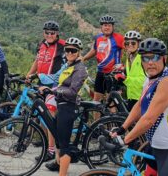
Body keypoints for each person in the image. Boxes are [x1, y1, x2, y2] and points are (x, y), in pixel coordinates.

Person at [111, 38, 168, 176]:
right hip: (155, 145)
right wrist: (122, 128)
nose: (150, 62)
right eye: (145, 58)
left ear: (164, 58)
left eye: (155, 57)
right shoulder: (149, 79)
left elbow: (149, 119)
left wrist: (126, 139)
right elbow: (140, 104)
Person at [43, 37, 88, 175]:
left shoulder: (80, 69)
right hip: (61, 105)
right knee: (58, 139)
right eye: (67, 50)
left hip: (69, 107)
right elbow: (61, 84)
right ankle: (58, 164)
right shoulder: (69, 66)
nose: (69, 53)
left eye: (73, 51)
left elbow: (72, 91)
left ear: (79, 52)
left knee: (64, 145)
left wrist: (54, 91)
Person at [26, 20, 66, 161]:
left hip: (54, 85)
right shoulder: (41, 45)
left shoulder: (62, 45)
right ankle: (46, 143)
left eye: (52, 33)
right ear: (44, 33)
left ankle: (50, 151)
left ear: (57, 34)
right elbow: (37, 61)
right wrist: (29, 75)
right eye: (47, 32)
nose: (49, 35)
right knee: (43, 116)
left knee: (50, 115)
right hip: (41, 83)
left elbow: (73, 59)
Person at [82, 15, 124, 103]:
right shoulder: (98, 38)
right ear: (101, 27)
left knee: (112, 102)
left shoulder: (119, 38)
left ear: (113, 27)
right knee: (96, 100)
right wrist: (83, 58)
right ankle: (98, 118)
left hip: (113, 74)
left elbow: (130, 48)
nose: (107, 27)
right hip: (100, 72)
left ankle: (113, 117)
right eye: (105, 25)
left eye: (109, 25)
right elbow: (94, 50)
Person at [123, 30, 145, 111]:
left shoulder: (143, 57)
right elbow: (131, 75)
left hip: (142, 98)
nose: (130, 45)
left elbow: (144, 80)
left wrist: (125, 79)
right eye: (127, 43)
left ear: (138, 43)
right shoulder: (129, 57)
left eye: (133, 43)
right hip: (131, 97)